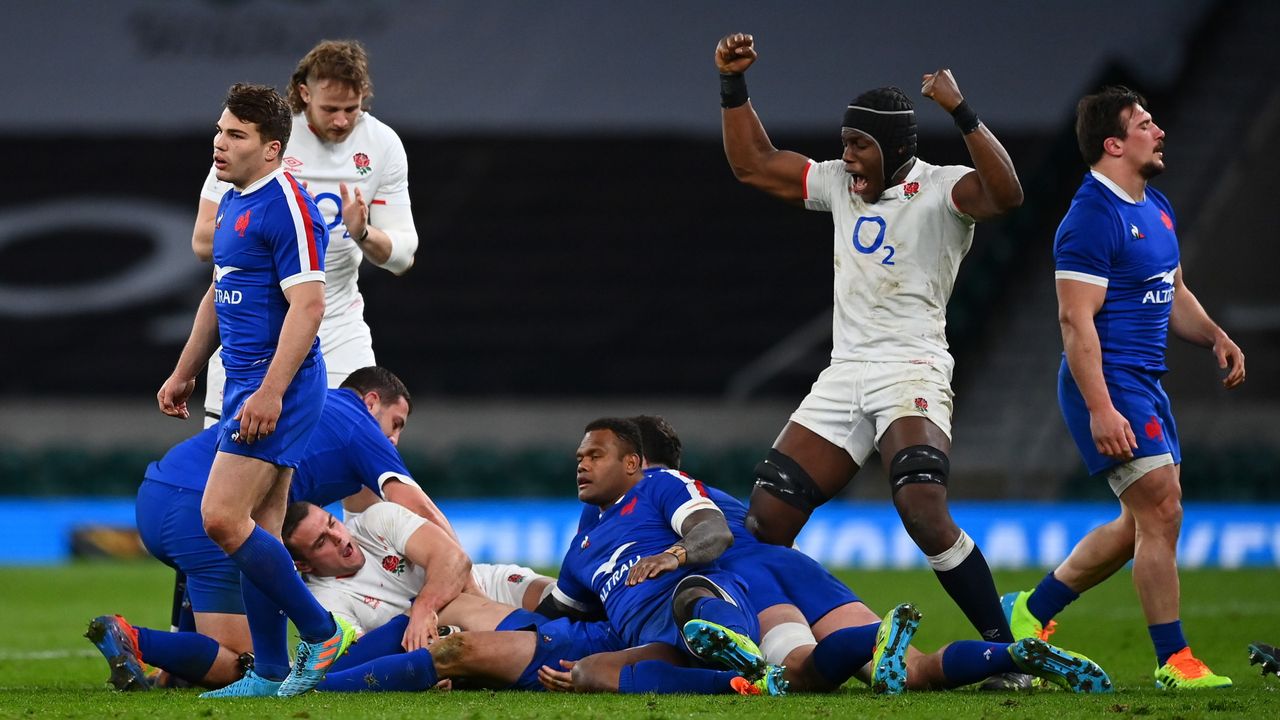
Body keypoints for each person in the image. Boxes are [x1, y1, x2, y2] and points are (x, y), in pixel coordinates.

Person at [713, 32, 1026, 671]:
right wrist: (732, 85)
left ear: (898, 148)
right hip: (844, 373)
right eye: (846, 142)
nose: (846, 155)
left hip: (911, 365)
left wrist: (962, 113)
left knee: (921, 506)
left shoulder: (944, 189)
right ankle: (775, 649)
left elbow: (1008, 195)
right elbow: (753, 163)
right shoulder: (835, 184)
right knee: (766, 524)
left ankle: (1009, 653)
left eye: (860, 145)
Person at [541, 415, 1112, 695]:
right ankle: (1013, 655)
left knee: (799, 671)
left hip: (743, 582)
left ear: (637, 460)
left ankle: (871, 644)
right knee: (912, 669)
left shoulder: (653, 493)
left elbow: (702, 541)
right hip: (792, 565)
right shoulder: (709, 490)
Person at [1002, 86, 1245, 690]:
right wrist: (1101, 408)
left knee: (1144, 520)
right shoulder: (1090, 217)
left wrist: (1213, 334)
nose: (1158, 130)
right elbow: (1073, 321)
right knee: (1162, 510)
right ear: (1114, 144)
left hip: (1144, 381)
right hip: (1109, 382)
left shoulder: (1154, 204)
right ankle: (1174, 661)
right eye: (1144, 124)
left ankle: (1032, 608)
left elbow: (1173, 287)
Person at [155, 82, 351, 698]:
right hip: (244, 383)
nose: (219, 143)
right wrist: (185, 368)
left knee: (219, 517)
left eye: (235, 135)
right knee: (261, 529)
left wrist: (269, 392)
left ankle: (321, 632)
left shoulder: (285, 204)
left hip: (281, 389)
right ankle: (268, 671)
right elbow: (220, 293)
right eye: (220, 130)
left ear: (271, 150)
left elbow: (310, 307)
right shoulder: (233, 203)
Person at [86, 368, 451, 691]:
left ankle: (173, 670)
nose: (395, 439)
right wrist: (458, 563)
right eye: (397, 423)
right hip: (200, 510)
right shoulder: (360, 424)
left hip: (158, 492)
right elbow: (418, 507)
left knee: (230, 563)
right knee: (244, 665)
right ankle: (132, 637)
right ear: (372, 401)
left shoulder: (311, 403)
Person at [193, 39, 419, 426]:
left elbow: (403, 256)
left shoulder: (383, 145)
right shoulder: (262, 138)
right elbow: (202, 242)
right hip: (259, 325)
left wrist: (363, 233)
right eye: (330, 109)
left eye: (353, 109)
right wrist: (279, 235)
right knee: (239, 470)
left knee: (364, 448)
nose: (342, 120)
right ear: (303, 93)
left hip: (338, 326)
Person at [536, 418, 788, 695]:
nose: (582, 466)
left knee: (688, 595)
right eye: (580, 459)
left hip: (700, 605)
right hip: (656, 644)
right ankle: (741, 683)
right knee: (587, 672)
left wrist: (673, 555)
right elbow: (556, 611)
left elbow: (716, 531)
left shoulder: (660, 485)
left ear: (631, 463)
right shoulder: (580, 550)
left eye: (595, 456)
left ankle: (738, 646)